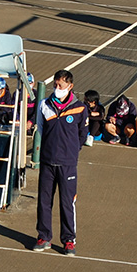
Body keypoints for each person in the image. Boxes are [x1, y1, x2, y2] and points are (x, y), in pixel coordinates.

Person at [34, 69, 87, 256]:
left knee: (67, 202)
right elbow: (40, 128)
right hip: (48, 162)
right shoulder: (43, 105)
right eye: (55, 85)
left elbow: (82, 135)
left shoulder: (80, 108)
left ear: (70, 86)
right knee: (44, 201)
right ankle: (44, 236)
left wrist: (70, 151)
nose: (57, 88)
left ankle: (68, 240)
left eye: (61, 85)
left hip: (68, 164)